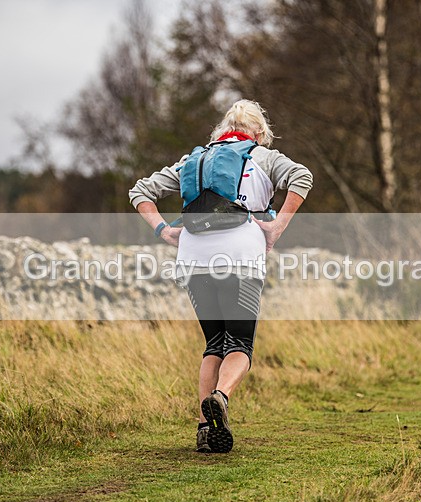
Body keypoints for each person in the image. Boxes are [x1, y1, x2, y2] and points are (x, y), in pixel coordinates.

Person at [129, 99, 313, 453]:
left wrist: (164, 230)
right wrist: (277, 227)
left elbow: (140, 191)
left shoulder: (193, 160)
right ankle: (221, 397)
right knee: (240, 343)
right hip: (240, 254)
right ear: (258, 133)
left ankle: (204, 429)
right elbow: (303, 177)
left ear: (223, 131)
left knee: (214, 343)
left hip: (193, 256)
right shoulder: (263, 156)